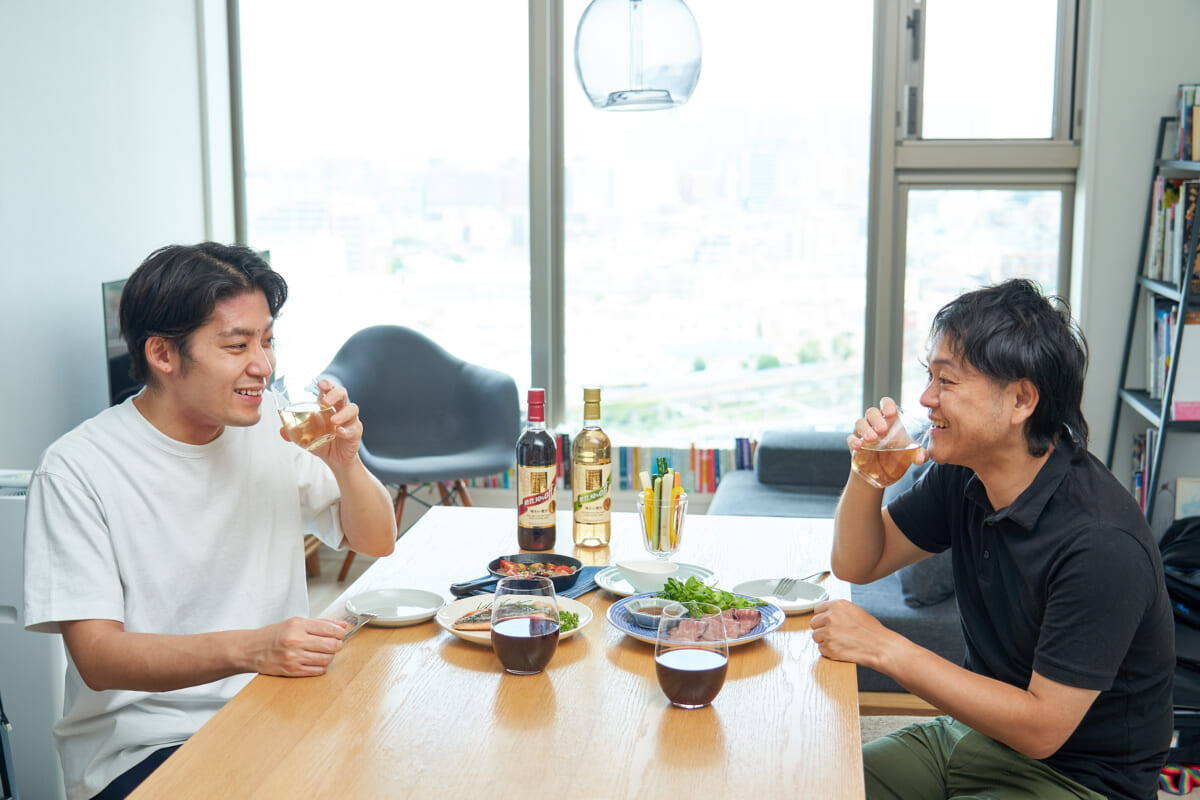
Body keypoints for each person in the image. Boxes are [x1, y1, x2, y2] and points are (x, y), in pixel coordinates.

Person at [23, 242, 397, 800]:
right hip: (146, 749)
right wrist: (253, 649)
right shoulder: (78, 468)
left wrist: (346, 463)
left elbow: (376, 539)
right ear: (163, 354)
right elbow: (98, 658)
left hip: (276, 706)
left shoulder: (273, 426)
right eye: (237, 345)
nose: (263, 366)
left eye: (267, 340)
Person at [811, 279, 1174, 800]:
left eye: (947, 380)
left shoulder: (1101, 545)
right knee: (818, 785)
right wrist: (868, 475)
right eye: (929, 376)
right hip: (972, 735)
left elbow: (1042, 730)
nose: (926, 398)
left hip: (1076, 780)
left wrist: (885, 648)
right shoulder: (966, 474)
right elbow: (857, 563)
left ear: (1021, 399)